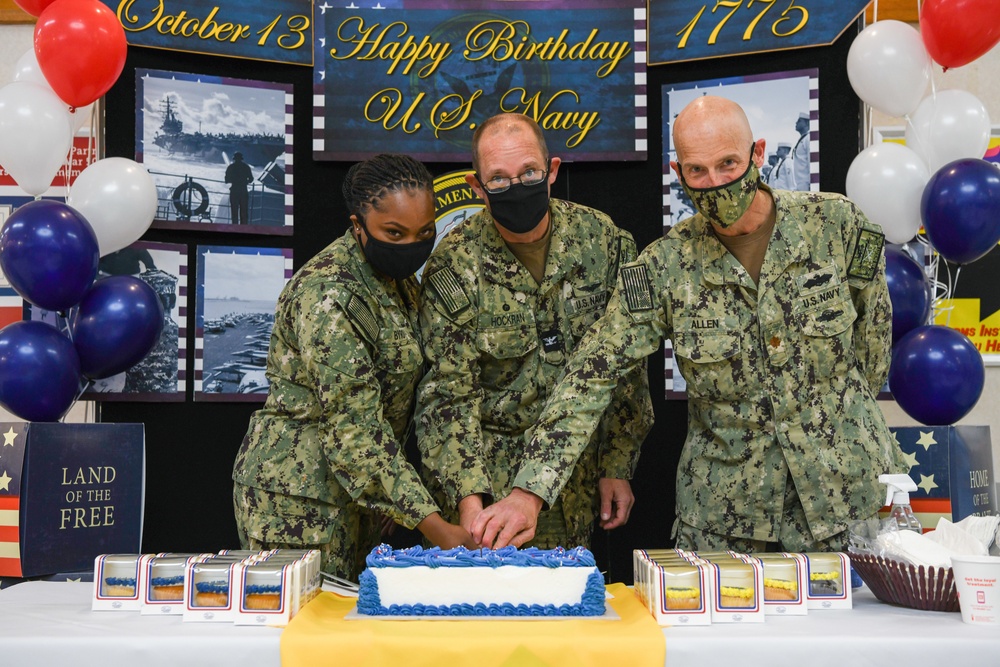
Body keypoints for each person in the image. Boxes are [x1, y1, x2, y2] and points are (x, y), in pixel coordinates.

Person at [491, 96, 907, 553]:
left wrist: (833, 424)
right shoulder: (662, 267)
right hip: (726, 517)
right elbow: (592, 375)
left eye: (728, 164)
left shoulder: (837, 224)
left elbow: (873, 345)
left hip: (842, 503)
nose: (715, 183)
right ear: (677, 170)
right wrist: (530, 490)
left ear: (758, 153)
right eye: (697, 171)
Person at [416, 113, 653, 551]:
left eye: (529, 173)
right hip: (491, 489)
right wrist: (471, 507)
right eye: (499, 180)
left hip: (577, 482)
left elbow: (627, 369)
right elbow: (446, 396)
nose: (517, 187)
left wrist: (617, 464)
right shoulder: (454, 265)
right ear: (477, 188)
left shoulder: (604, 241)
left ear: (553, 171)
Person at [232, 154, 476, 580]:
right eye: (394, 233)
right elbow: (354, 430)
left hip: (357, 495)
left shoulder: (393, 280)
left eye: (424, 232)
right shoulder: (328, 295)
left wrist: (394, 500)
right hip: (299, 502)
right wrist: (438, 530)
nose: (411, 245)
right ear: (358, 226)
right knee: (303, 638)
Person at [225, 151, 254, 225]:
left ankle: (234, 227)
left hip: (234, 191)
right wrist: (245, 181)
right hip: (243, 191)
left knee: (234, 212)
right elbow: (251, 179)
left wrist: (233, 179)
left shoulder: (231, 167)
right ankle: (243, 228)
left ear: (234, 159)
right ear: (241, 159)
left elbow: (226, 180)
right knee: (244, 212)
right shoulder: (246, 167)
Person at [792, 111, 811, 191]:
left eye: (799, 121)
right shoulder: (802, 139)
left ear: (806, 123)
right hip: (799, 185)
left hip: (806, 185)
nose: (796, 123)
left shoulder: (809, 138)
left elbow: (811, 162)